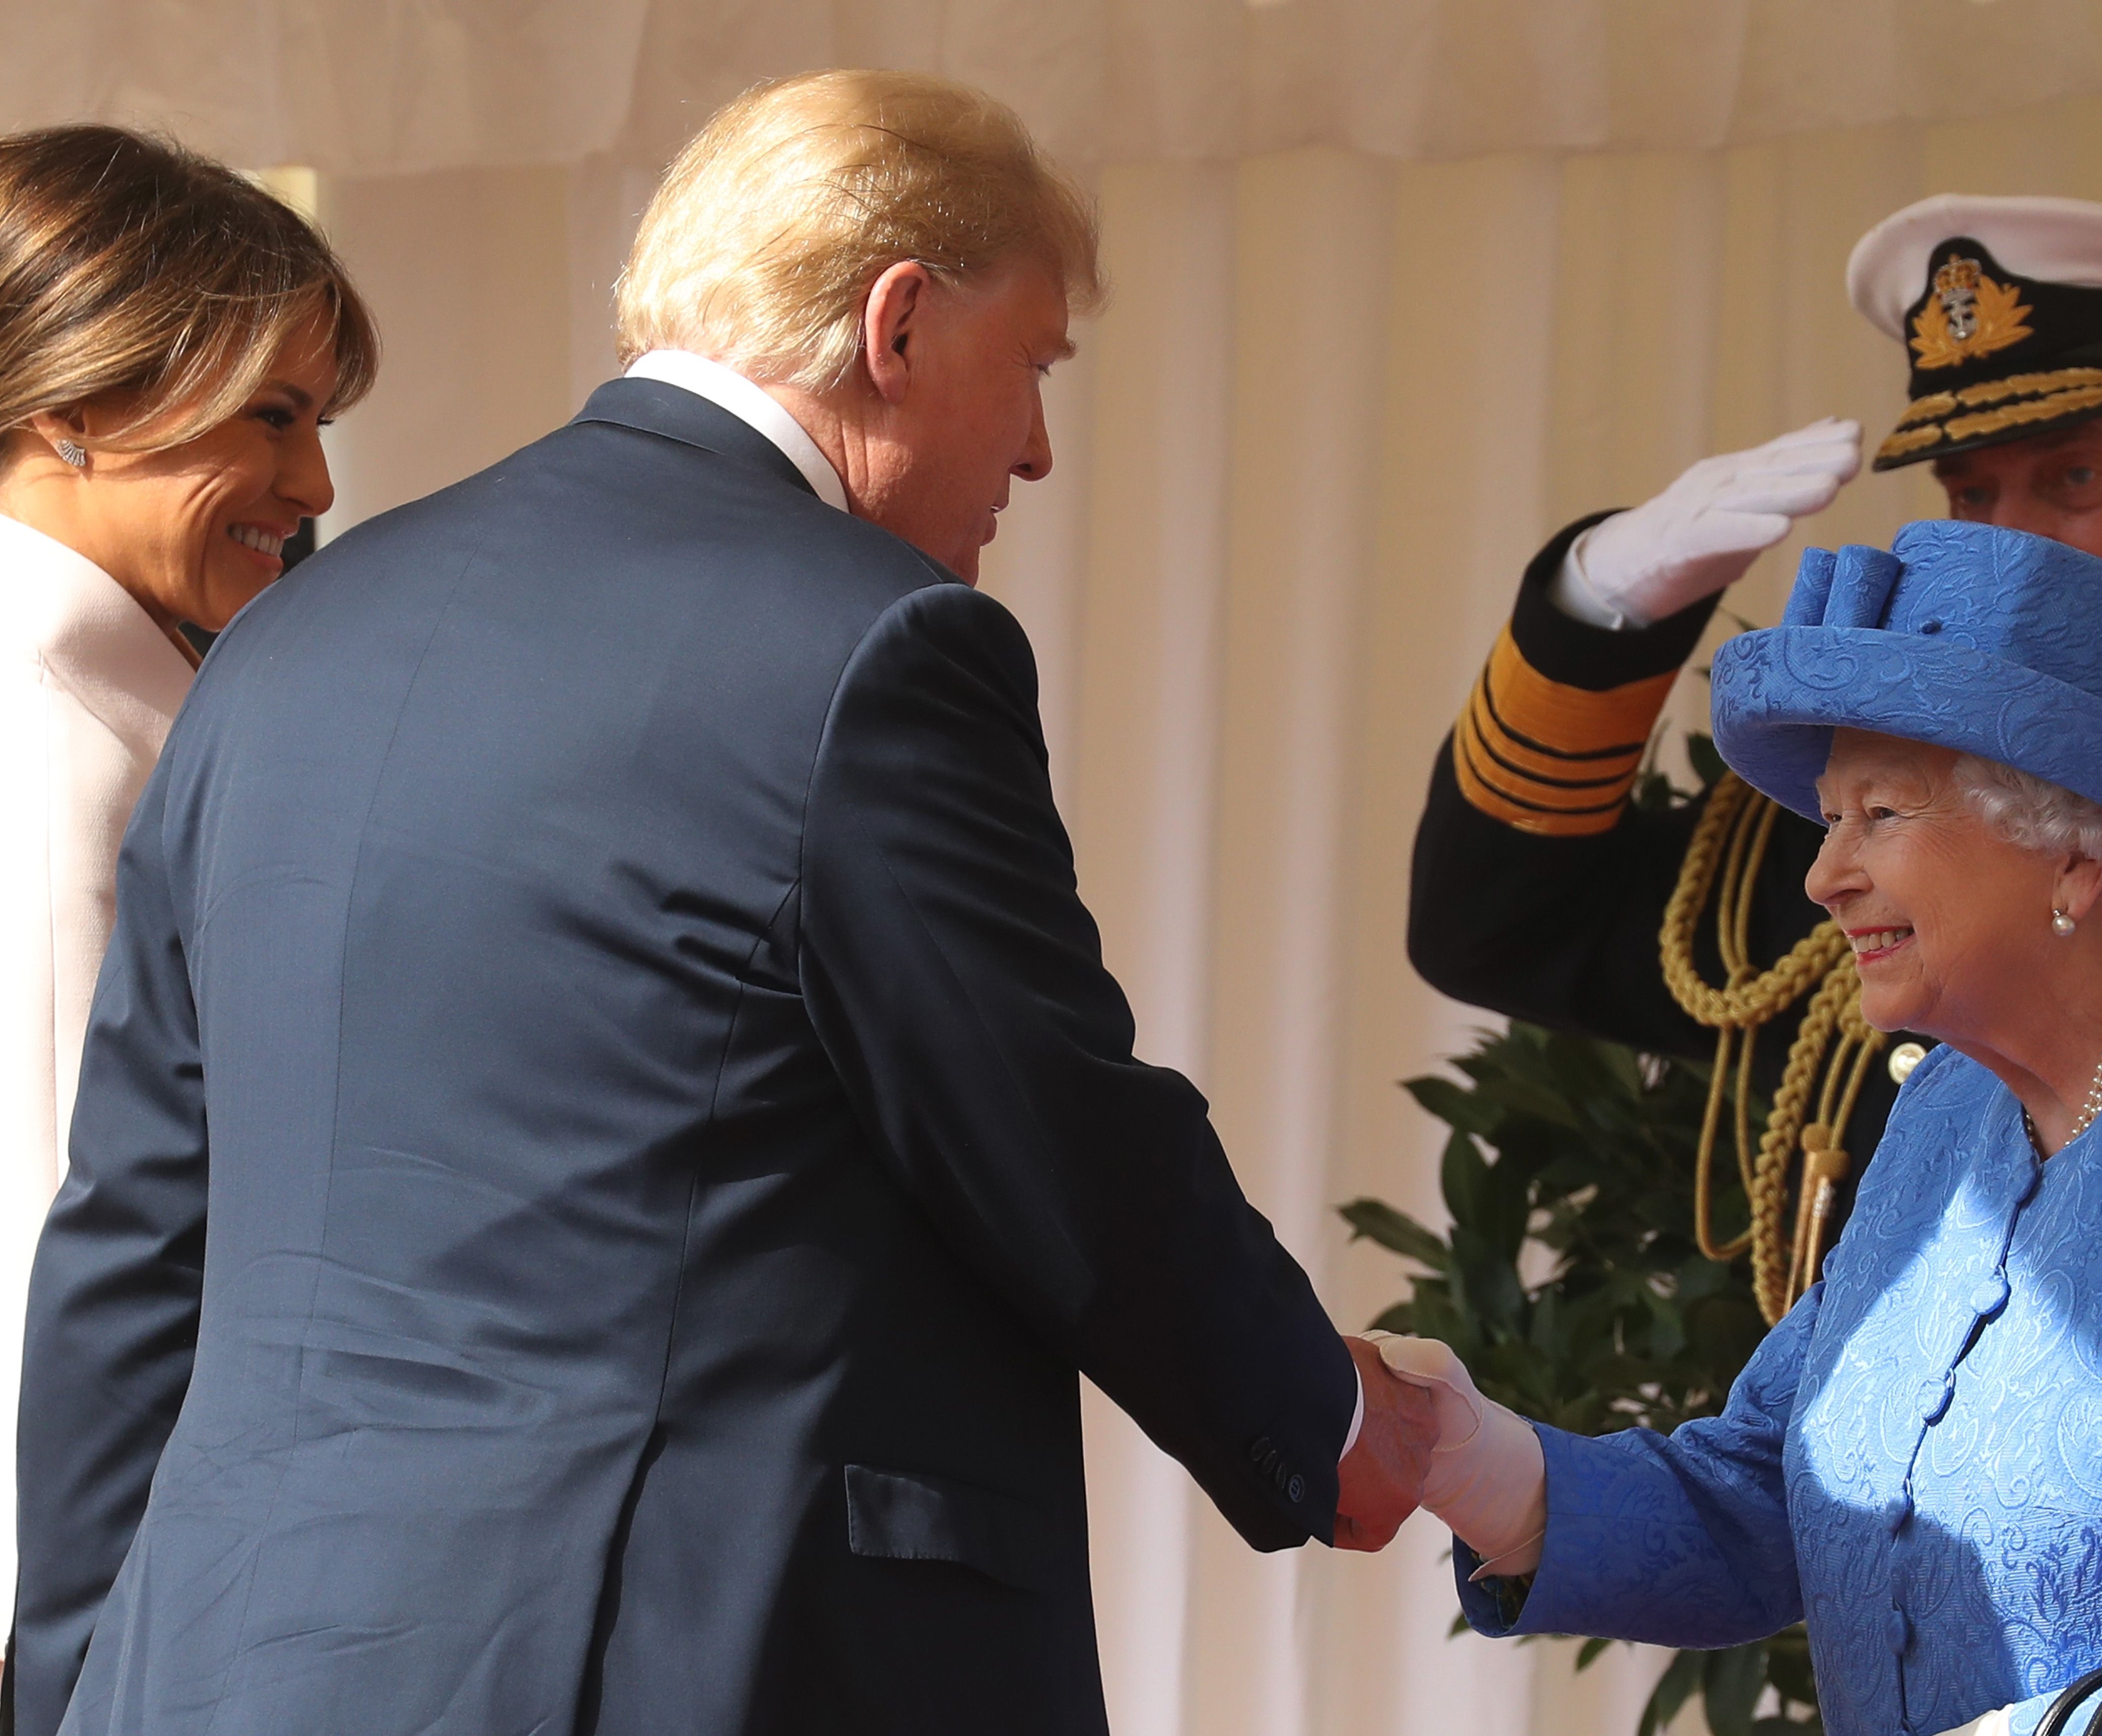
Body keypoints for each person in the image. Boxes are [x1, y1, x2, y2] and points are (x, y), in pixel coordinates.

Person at [14, 71, 1432, 1736]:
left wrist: (67, 1691)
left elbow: (128, 1247)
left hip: (216, 1670)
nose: (1040, 447)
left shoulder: (279, 652)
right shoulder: (875, 644)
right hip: (678, 1665)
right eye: (1034, 366)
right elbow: (1054, 1132)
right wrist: (1332, 1421)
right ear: (895, 324)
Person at [1407, 196, 2102, 1663]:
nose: (2010, 549)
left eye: (2067, 476)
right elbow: (1506, 922)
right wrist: (1598, 606)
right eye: (1969, 496)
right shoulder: (1949, 1103)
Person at [0, 123, 377, 1623]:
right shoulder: (54, 745)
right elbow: (58, 1242)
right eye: (273, 415)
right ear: (79, 397)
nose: (316, 479)